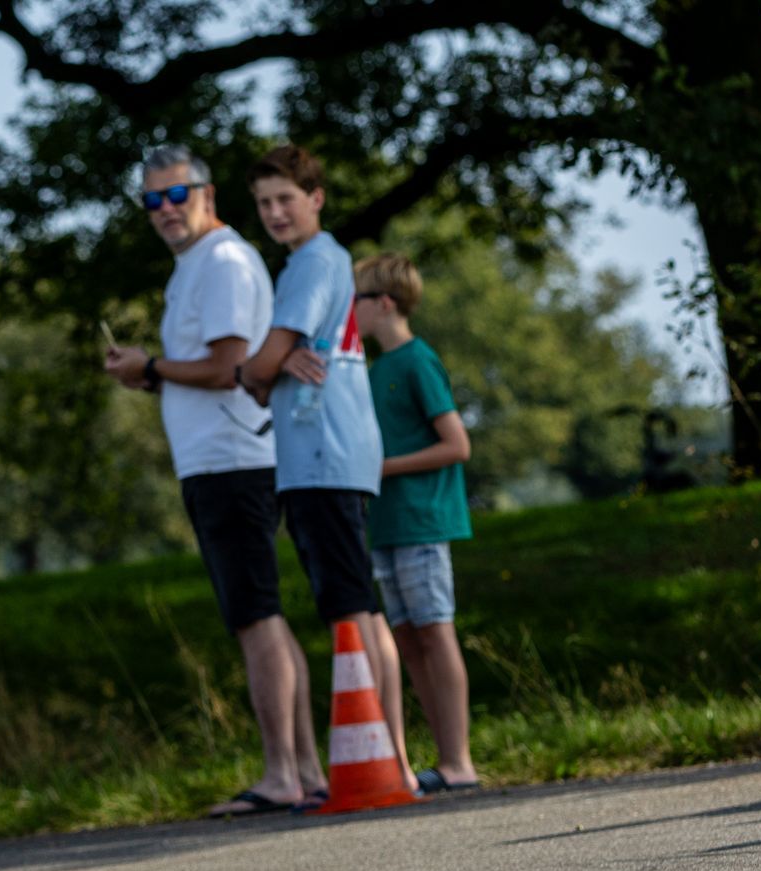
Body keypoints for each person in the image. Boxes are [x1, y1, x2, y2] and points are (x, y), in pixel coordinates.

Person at [102, 146, 326, 815]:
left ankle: (283, 774)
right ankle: (306, 771)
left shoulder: (223, 260)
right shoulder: (197, 264)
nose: (166, 210)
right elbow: (204, 369)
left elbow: (231, 364)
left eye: (178, 195)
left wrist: (154, 365)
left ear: (208, 193)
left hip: (234, 461)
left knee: (255, 618)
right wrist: (148, 373)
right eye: (153, 200)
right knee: (263, 616)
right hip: (222, 459)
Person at [236, 145, 416, 792]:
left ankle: (385, 762)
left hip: (323, 455)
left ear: (316, 198)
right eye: (263, 203)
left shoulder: (313, 262)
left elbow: (259, 368)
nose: (275, 212)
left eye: (286, 198)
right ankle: (390, 757)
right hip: (327, 454)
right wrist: (269, 363)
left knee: (351, 604)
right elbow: (272, 364)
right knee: (356, 601)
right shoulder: (314, 262)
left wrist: (257, 365)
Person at [352, 252, 479, 792]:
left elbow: (457, 444)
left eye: (353, 301)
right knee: (406, 638)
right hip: (387, 523)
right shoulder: (375, 369)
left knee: (434, 630)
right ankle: (440, 761)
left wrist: (382, 468)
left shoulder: (417, 362)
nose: (347, 313)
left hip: (423, 520)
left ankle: (459, 762)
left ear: (384, 304)